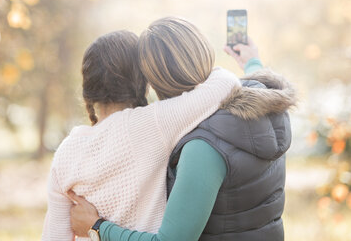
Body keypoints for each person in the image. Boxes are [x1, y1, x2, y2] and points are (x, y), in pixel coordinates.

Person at [69, 18, 296, 241]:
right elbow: (248, 81)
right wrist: (252, 61)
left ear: (152, 81)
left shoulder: (203, 147)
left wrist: (96, 227)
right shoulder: (267, 107)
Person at [41, 29, 240, 240]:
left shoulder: (65, 153)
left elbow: (54, 235)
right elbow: (226, 84)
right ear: (143, 81)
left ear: (87, 88)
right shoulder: (152, 123)